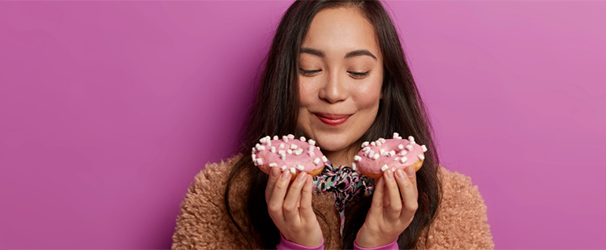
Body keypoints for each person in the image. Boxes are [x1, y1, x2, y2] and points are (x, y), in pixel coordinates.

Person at [172, 0, 493, 249]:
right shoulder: (220, 196)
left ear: (385, 82)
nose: (334, 93)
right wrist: (297, 245)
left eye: (357, 71)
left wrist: (378, 246)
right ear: (284, 78)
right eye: (310, 69)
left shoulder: (448, 203)